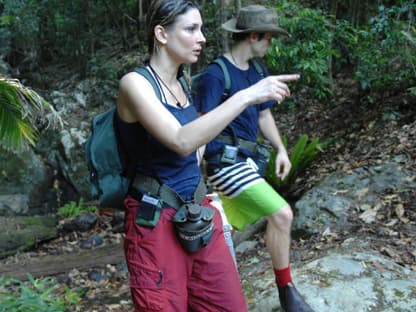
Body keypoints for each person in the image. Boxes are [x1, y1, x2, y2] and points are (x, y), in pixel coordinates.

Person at [115, 1, 299, 311]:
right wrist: (247, 95)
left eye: (201, 29)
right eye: (191, 29)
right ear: (161, 34)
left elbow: (197, 148)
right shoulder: (135, 84)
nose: (202, 38)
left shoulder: (183, 84)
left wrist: (206, 193)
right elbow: (181, 140)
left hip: (197, 213)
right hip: (154, 220)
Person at [194, 5, 314, 312]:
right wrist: (193, 174)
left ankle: (195, 283)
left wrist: (282, 149)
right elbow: (202, 127)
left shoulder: (258, 73)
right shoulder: (215, 75)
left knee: (223, 230)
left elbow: (263, 115)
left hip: (247, 163)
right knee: (282, 214)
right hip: (224, 164)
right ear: (253, 36)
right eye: (268, 38)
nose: (270, 45)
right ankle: (287, 292)